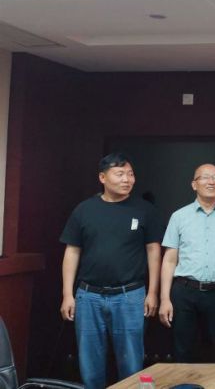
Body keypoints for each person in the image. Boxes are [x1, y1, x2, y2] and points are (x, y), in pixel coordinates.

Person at [59, 152, 163, 389]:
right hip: (88, 296)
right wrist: (67, 294)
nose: (127, 179)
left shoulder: (145, 210)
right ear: (102, 178)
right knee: (90, 364)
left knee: (131, 363)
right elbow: (72, 252)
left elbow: (153, 251)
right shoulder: (84, 210)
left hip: (130, 296)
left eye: (130, 174)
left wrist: (152, 292)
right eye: (120, 174)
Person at [158, 163, 215, 362]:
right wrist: (164, 299)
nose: (211, 181)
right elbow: (169, 260)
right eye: (205, 177)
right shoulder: (179, 217)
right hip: (185, 293)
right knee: (183, 350)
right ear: (194, 184)